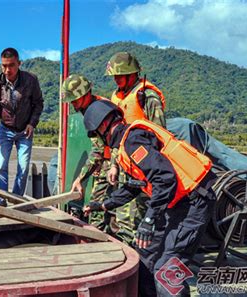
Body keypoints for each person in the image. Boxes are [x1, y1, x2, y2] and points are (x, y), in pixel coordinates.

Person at [82, 100, 217, 296]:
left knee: (167, 269)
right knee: (144, 256)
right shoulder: (127, 144)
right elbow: (135, 186)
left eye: (96, 135)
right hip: (176, 203)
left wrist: (148, 220)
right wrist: (104, 204)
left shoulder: (132, 141)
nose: (99, 140)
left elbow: (165, 178)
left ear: (103, 126)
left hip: (194, 202)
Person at [105, 52, 167, 232]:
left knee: (143, 218)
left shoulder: (147, 97)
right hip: (126, 166)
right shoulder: (117, 97)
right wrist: (114, 165)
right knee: (123, 219)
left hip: (145, 167)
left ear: (132, 74)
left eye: (120, 76)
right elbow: (116, 137)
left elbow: (160, 136)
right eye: (114, 76)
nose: (116, 80)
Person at [0, 48, 44, 206]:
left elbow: (38, 103)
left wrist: (32, 123)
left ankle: (16, 201)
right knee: (0, 166)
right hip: (4, 129)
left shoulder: (31, 80)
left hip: (25, 130)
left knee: (23, 168)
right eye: (4, 66)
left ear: (19, 64)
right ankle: (0, 200)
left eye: (11, 65)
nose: (7, 70)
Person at [61, 74, 116, 230]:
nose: (73, 104)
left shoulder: (99, 109)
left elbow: (98, 150)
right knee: (97, 207)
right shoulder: (89, 109)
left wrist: (80, 177)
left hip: (116, 163)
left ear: (86, 95)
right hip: (106, 162)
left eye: (76, 100)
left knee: (115, 213)